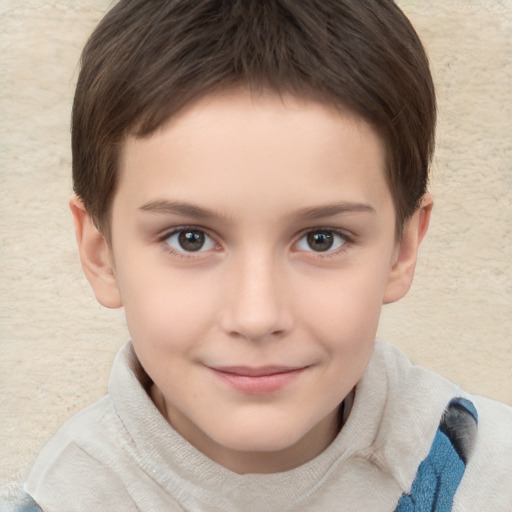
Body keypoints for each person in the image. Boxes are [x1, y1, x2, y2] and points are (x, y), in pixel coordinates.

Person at [14, 0, 512, 510]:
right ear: (102, 255)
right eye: (190, 238)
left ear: (402, 249)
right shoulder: (62, 496)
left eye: (322, 239)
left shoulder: (488, 474)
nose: (257, 317)